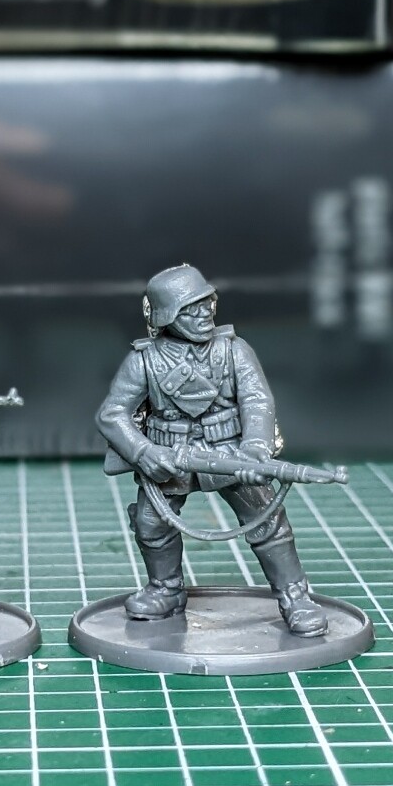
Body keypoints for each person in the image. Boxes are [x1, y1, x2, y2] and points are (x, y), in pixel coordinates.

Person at [96, 264, 327, 635]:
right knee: (151, 524)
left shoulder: (234, 350)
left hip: (230, 451)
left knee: (267, 520)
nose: (204, 314)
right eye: (190, 309)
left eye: (207, 304)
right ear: (166, 316)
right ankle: (166, 590)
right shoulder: (143, 361)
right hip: (170, 457)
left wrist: (255, 447)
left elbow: (256, 399)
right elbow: (112, 414)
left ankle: (295, 595)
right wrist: (144, 453)